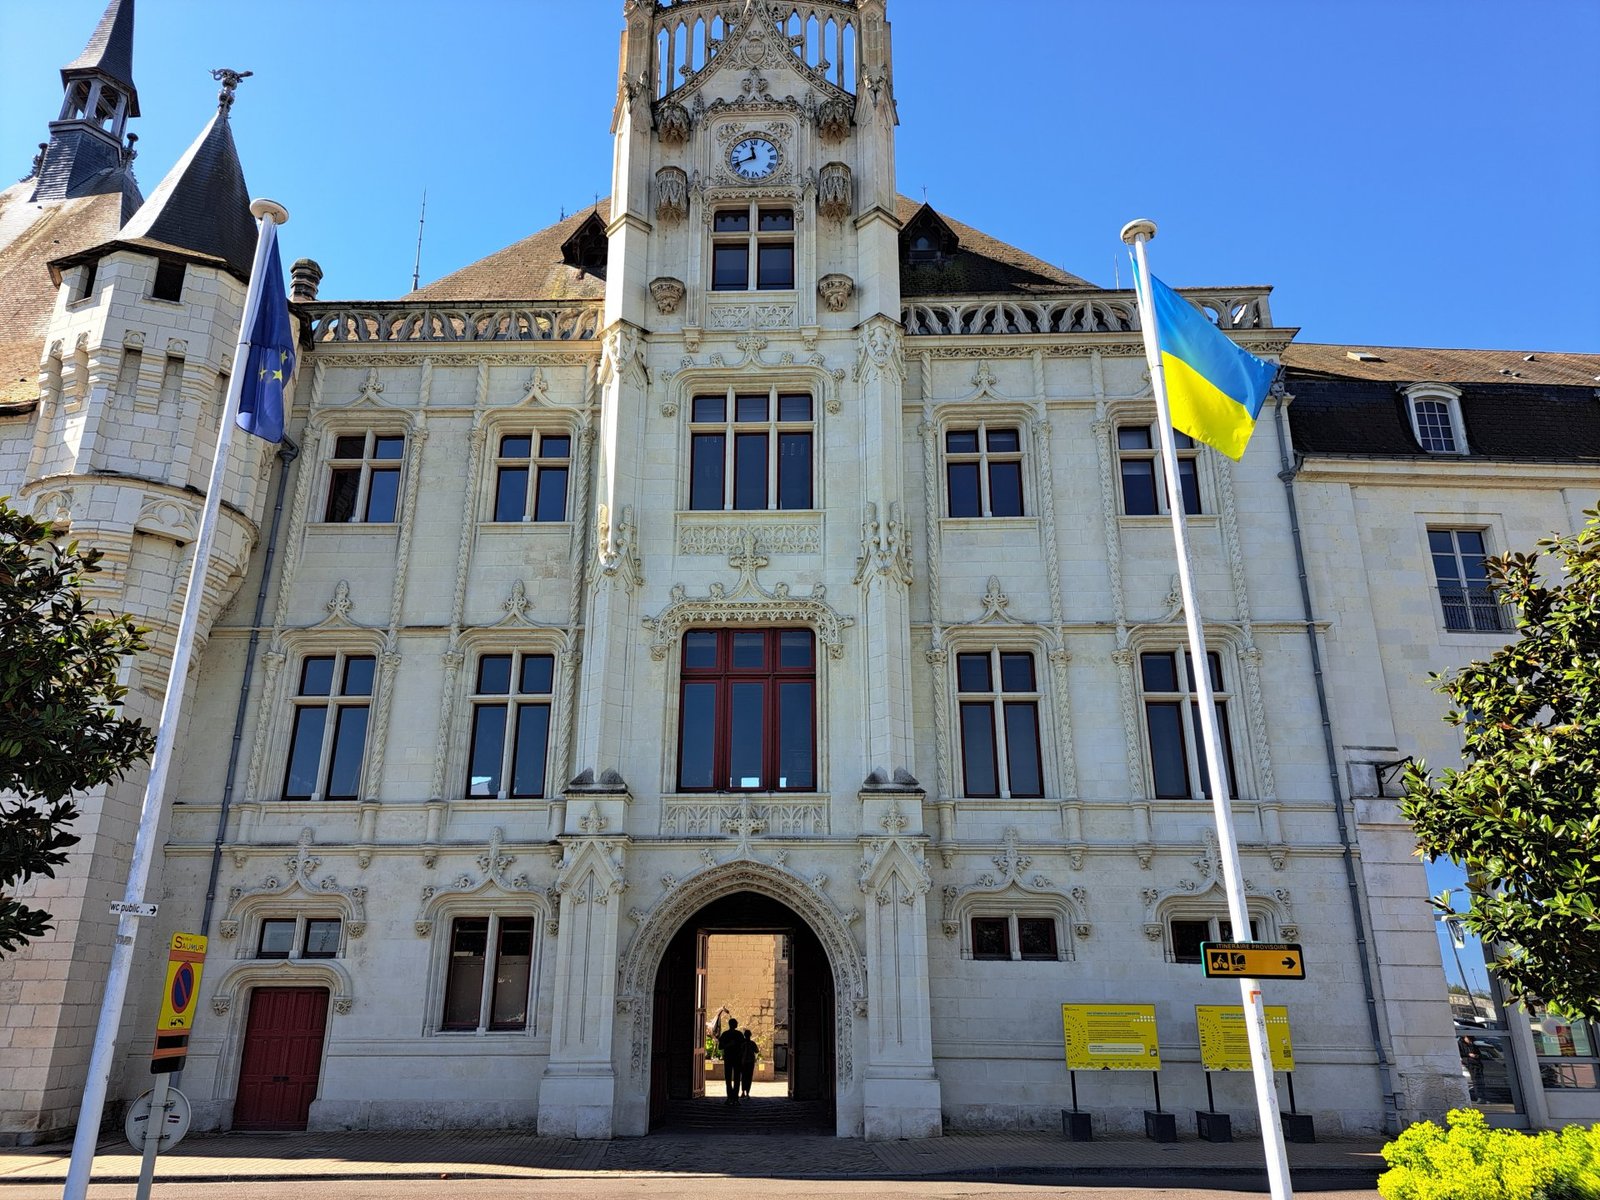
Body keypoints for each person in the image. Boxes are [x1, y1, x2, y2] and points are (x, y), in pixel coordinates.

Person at [717, 1017, 745, 1105]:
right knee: (736, 1079)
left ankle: (730, 1098)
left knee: (728, 1079)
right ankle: (735, 1098)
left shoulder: (725, 1034)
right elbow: (743, 1047)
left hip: (729, 1059)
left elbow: (720, 1047)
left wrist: (727, 1045)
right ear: (734, 1025)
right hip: (736, 1059)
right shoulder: (739, 1034)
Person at [741, 1028, 759, 1098]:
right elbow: (757, 1051)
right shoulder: (752, 1043)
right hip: (750, 1062)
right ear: (750, 1035)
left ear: (744, 1035)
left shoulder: (743, 1044)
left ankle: (743, 1092)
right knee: (749, 1077)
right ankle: (747, 1092)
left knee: (743, 1077)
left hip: (744, 1062)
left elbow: (740, 1052)